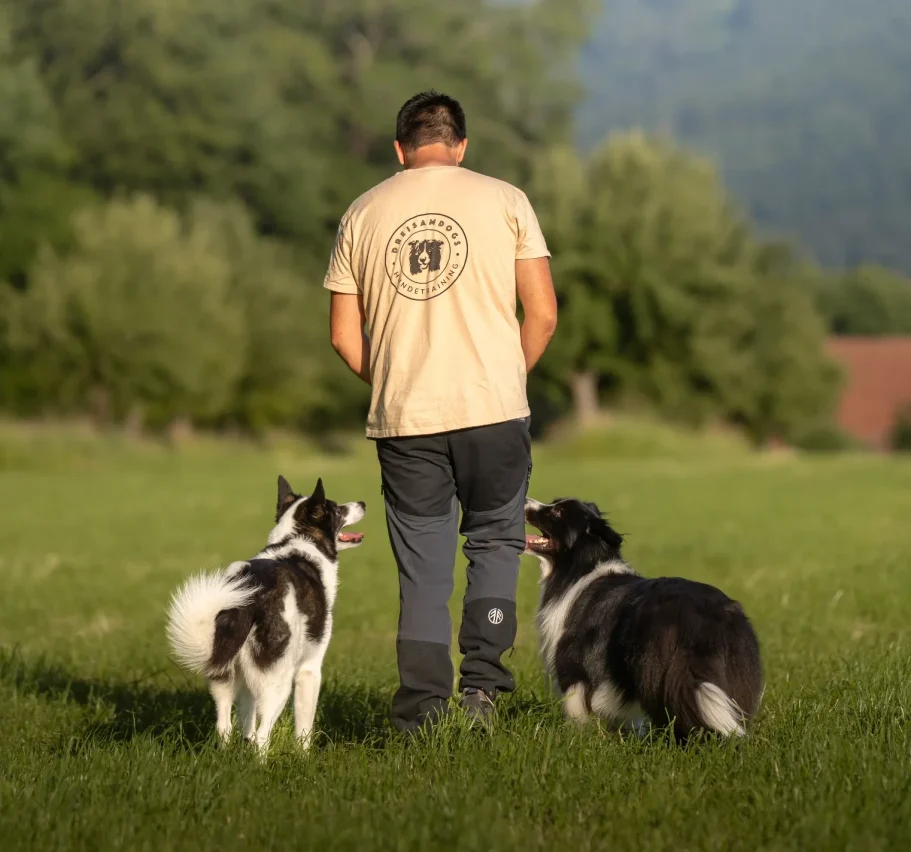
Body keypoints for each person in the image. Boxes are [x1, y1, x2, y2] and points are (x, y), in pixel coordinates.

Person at [323, 90, 558, 734]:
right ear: (461, 146)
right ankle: (482, 691)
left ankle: (422, 711)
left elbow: (344, 336)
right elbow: (542, 314)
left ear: (400, 150)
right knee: (496, 542)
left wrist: (398, 381)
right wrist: (504, 378)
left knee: (424, 570)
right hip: (494, 410)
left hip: (406, 419)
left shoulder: (361, 212)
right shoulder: (507, 199)